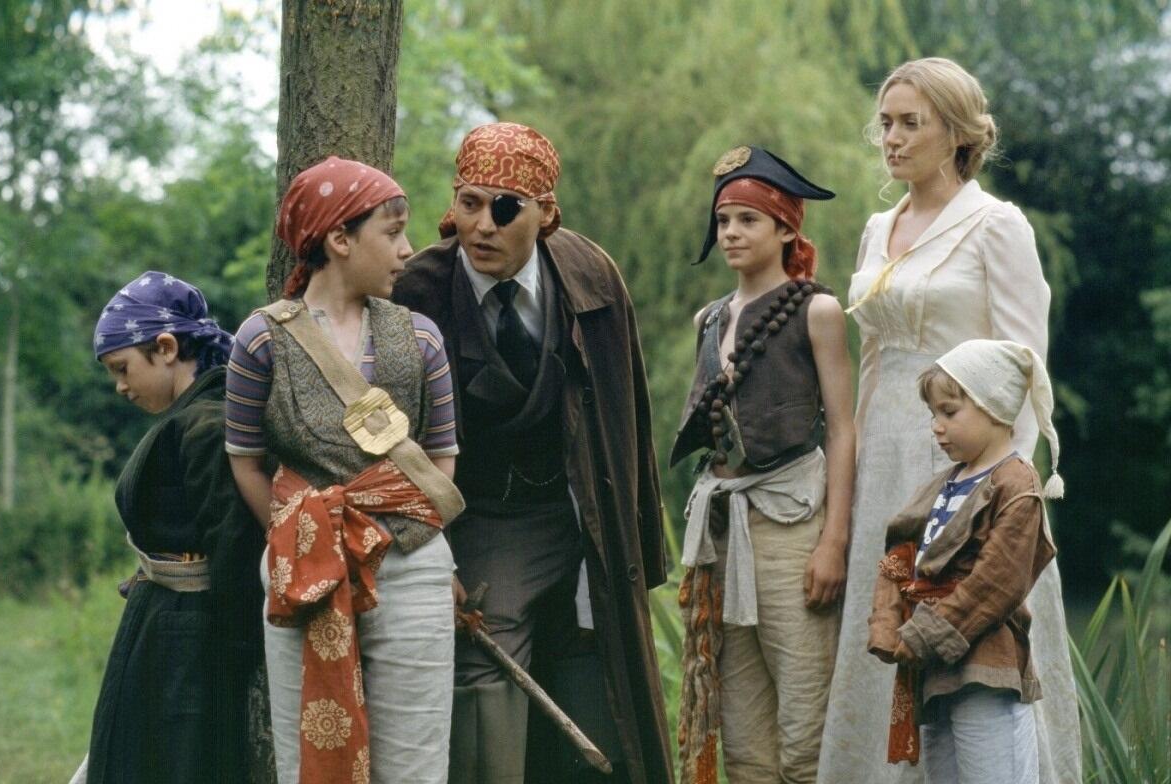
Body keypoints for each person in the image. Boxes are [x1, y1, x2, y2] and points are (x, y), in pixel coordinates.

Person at [819, 57, 1080, 783]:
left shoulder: (998, 225)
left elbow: (1023, 373)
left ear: (958, 132)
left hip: (971, 464)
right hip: (886, 461)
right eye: (885, 123)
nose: (892, 138)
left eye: (911, 123)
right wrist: (851, 489)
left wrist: (1001, 498)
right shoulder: (878, 228)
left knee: (974, 642)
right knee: (886, 628)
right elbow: (872, 365)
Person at [392, 121, 673, 784]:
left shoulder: (590, 274)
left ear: (545, 213)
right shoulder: (419, 292)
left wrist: (638, 545)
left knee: (599, 692)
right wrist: (429, 555)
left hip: (584, 515)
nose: (481, 225)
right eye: (468, 203)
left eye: (504, 208)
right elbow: (391, 446)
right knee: (486, 693)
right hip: (481, 522)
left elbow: (628, 413)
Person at [225, 157, 465, 784]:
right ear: (339, 239)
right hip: (305, 569)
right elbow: (244, 460)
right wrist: (301, 534)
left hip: (411, 564)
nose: (408, 250)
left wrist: (397, 537)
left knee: (416, 767)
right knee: (306, 759)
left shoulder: (421, 339)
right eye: (393, 232)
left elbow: (441, 460)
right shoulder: (260, 341)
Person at [670, 146, 855, 784]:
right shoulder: (709, 319)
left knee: (804, 725)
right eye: (723, 221)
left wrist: (834, 542)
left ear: (785, 229)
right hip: (723, 532)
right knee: (744, 732)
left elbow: (844, 429)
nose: (731, 233)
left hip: (791, 524)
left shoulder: (816, 311)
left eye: (748, 220)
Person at [83, 271, 265, 784]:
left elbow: (234, 544)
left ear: (165, 348)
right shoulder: (187, 420)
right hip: (169, 627)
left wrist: (237, 653)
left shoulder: (206, 425)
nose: (120, 386)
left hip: (192, 642)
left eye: (122, 368)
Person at [867, 338, 1064, 784]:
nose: (936, 427)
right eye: (933, 414)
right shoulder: (945, 483)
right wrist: (887, 622)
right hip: (936, 670)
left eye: (949, 412)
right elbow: (900, 555)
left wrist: (925, 634)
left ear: (993, 406)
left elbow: (998, 580)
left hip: (986, 667)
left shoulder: (1016, 485)